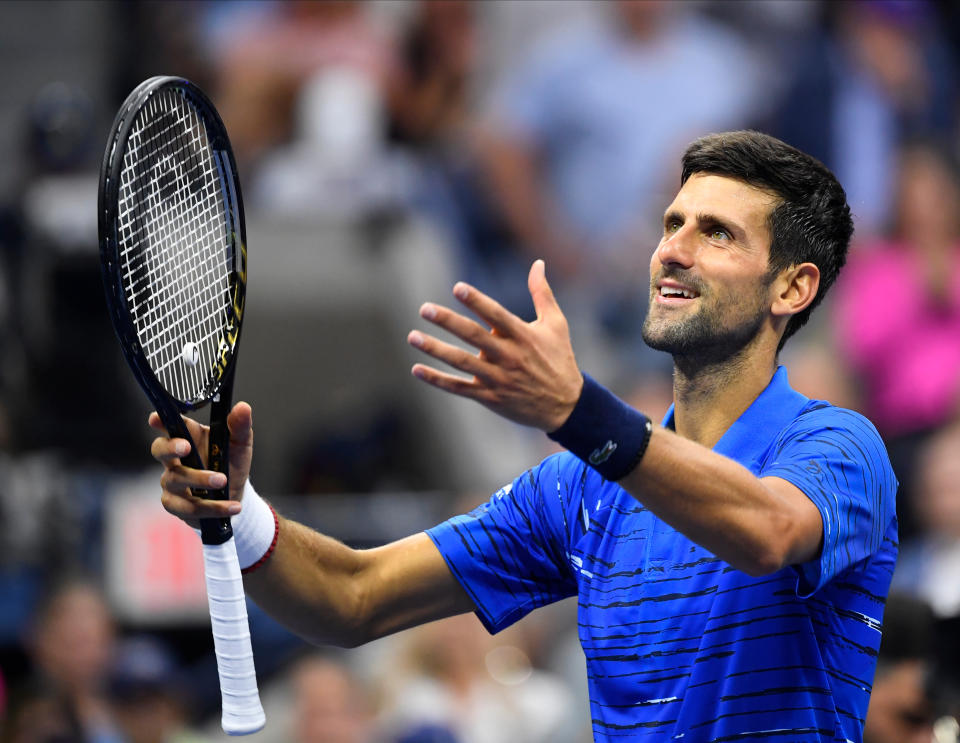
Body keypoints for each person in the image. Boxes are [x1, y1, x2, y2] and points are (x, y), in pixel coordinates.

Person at [151, 131, 897, 742]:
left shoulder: (841, 448)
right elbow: (353, 596)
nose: (674, 249)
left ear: (792, 288)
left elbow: (766, 529)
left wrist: (579, 413)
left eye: (717, 233)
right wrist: (237, 507)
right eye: (672, 224)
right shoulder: (579, 489)